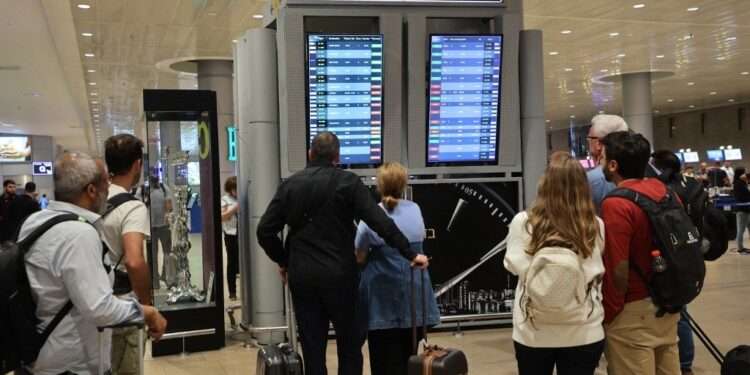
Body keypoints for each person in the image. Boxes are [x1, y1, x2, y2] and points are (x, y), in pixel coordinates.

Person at [257, 132, 429, 375]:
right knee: (349, 345)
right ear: (337, 157)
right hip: (341, 277)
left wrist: (285, 261)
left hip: (303, 276)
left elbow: (264, 231)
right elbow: (379, 221)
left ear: (310, 154)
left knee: (312, 346)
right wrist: (410, 254)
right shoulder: (348, 183)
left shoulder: (290, 185)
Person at [19, 152, 166, 375]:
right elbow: (99, 308)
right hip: (72, 364)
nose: (109, 190)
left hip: (39, 354)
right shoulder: (78, 234)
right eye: (105, 183)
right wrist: (148, 312)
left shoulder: (35, 222)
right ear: (91, 190)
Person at [504, 151, 605, 375]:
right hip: (584, 328)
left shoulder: (524, 222)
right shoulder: (594, 225)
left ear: (545, 183)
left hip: (533, 330)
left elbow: (512, 265)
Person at [600, 132, 681, 375]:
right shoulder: (665, 192)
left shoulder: (616, 204)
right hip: (667, 301)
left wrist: (611, 312)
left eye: (602, 158)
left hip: (633, 311)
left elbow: (618, 267)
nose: (599, 163)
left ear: (613, 165)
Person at [355, 162, 440, 375]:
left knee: (382, 358)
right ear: (404, 184)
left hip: (380, 300)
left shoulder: (372, 215)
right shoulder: (415, 209)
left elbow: (359, 255)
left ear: (379, 186)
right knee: (410, 355)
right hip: (413, 296)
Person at [99, 134, 152, 375]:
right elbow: (134, 260)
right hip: (122, 301)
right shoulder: (133, 207)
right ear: (137, 165)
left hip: (93, 298)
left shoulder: (93, 198)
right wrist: (146, 306)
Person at [650, 150, 698, 375]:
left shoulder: (664, 190)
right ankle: (686, 363)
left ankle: (680, 361)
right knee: (682, 314)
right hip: (688, 255)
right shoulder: (688, 185)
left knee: (674, 315)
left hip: (670, 257)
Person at [586, 114, 629, 213]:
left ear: (598, 144)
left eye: (589, 138)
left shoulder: (592, 179)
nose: (588, 142)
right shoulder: (639, 171)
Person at [147, 175, 172, 287]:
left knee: (167, 253)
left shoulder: (164, 188)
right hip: (151, 228)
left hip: (164, 226)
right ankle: (155, 281)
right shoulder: (144, 190)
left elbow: (169, 205)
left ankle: (167, 277)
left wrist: (168, 213)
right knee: (153, 255)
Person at [221, 176, 240, 300]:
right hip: (231, 235)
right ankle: (232, 292)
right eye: (235, 189)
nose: (236, 191)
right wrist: (235, 208)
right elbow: (223, 216)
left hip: (242, 234)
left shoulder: (240, 197)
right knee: (231, 263)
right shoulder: (225, 200)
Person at [733, 167, 750, 254]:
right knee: (741, 230)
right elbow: (743, 197)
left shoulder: (743, 183)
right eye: (744, 173)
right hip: (742, 210)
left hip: (747, 210)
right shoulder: (738, 184)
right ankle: (740, 248)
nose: (745, 175)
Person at [0, 179, 17, 243]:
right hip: (3, 230)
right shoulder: (1, 200)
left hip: (15, 230)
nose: (13, 189)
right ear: (5, 188)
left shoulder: (18, 199)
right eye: (10, 187)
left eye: (14, 187)